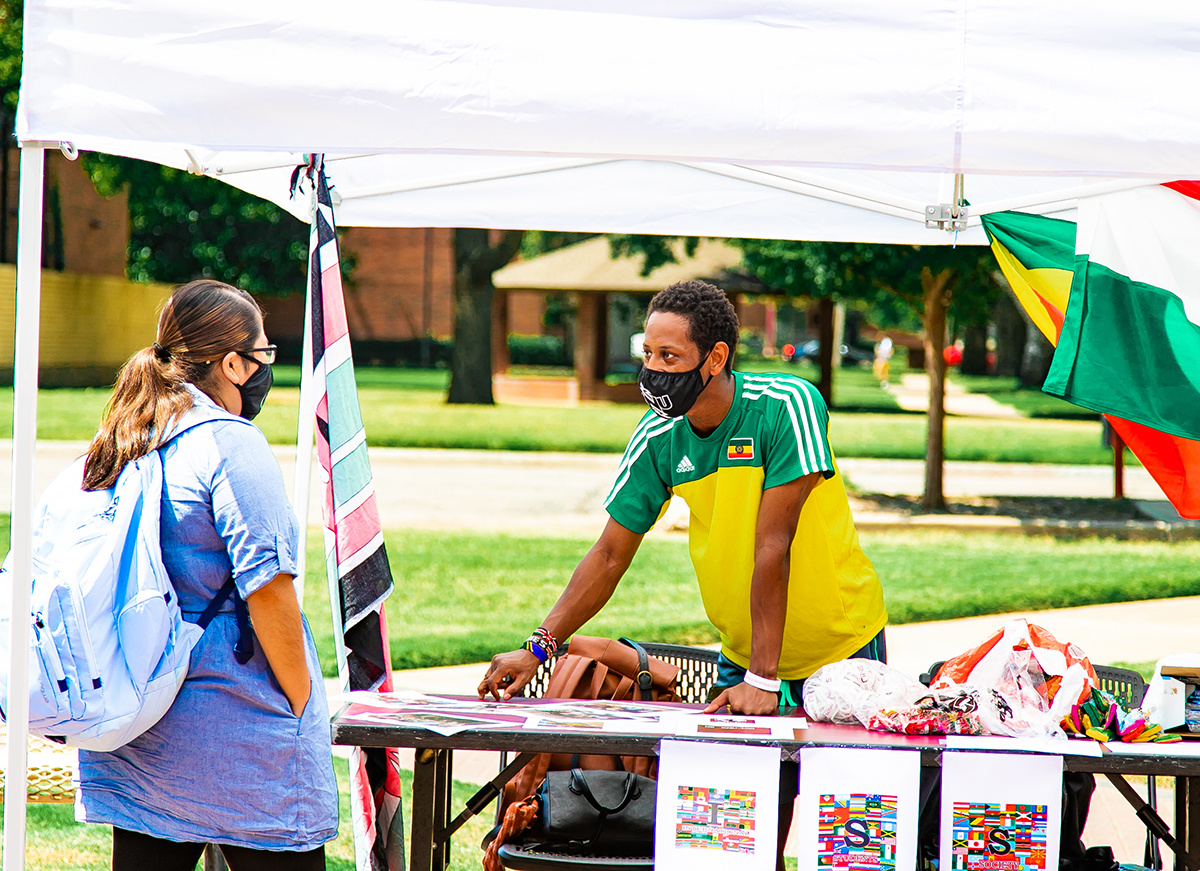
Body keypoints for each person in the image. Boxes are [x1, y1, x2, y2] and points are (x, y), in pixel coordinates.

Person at [478, 280, 887, 869]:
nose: (653, 371)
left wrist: (765, 682)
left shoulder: (786, 404)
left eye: (669, 358)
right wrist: (538, 649)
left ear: (715, 358)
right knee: (729, 847)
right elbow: (609, 555)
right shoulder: (657, 437)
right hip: (743, 656)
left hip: (841, 649)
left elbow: (774, 546)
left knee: (853, 843)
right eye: (648, 354)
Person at [75, 280, 337, 870]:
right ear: (231, 363)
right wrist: (301, 701)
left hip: (135, 721)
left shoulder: (126, 435)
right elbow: (269, 590)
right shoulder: (230, 444)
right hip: (233, 728)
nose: (267, 365)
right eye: (263, 353)